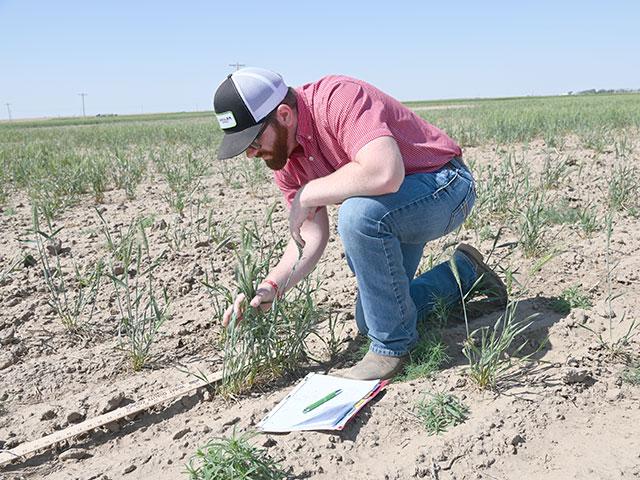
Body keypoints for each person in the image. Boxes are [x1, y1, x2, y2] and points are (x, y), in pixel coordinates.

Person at [213, 67, 506, 380]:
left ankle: (391, 350)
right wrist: (271, 287)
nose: (252, 154)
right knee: (374, 319)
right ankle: (464, 273)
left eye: (254, 141)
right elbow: (309, 236)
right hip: (392, 209)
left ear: (283, 115)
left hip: (444, 186)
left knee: (357, 215)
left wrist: (308, 192)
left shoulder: (337, 99)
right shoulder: (285, 157)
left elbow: (384, 172)